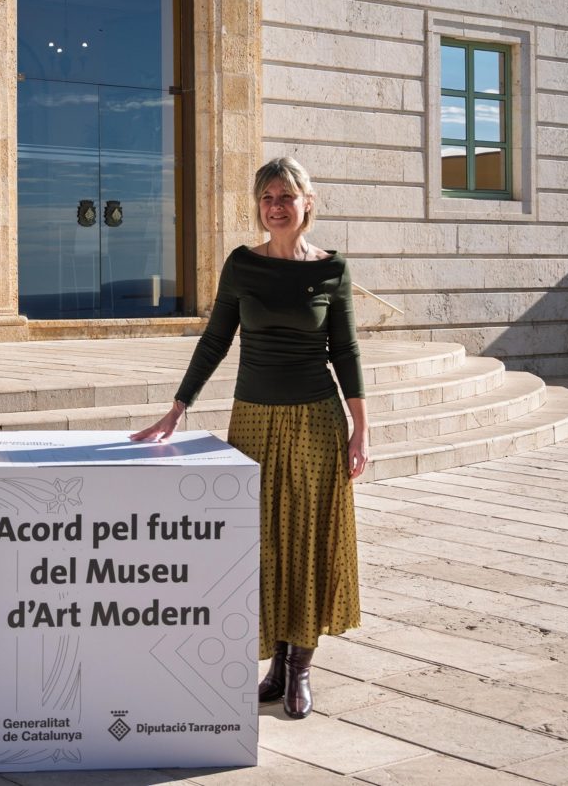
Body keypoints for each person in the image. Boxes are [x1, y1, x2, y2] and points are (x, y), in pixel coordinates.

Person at [131, 156, 367, 720]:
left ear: (308, 202)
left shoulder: (332, 271)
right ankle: (276, 663)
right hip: (255, 420)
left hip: (316, 420)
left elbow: (348, 352)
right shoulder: (242, 265)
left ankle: (302, 668)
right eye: (267, 197)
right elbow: (214, 339)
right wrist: (176, 410)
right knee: (261, 541)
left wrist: (362, 428)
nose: (276, 206)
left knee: (307, 541)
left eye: (286, 195)